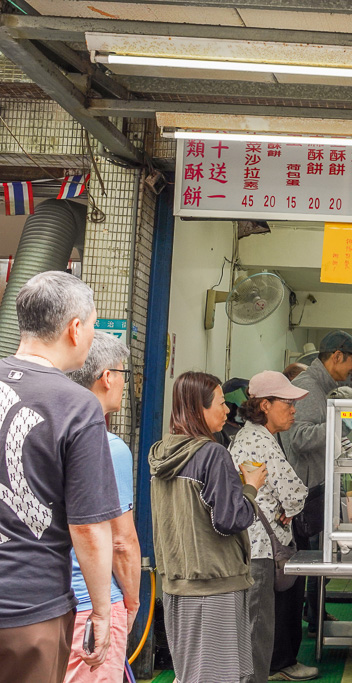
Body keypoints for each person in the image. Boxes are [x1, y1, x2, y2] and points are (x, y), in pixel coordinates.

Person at [0, 271, 122, 682]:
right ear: (74, 328)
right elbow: (87, 527)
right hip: (28, 609)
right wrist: (103, 612)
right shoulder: (76, 405)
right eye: (92, 325)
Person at [150, 371, 267, 683]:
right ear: (196, 410)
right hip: (215, 586)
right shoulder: (212, 454)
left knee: (191, 674)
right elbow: (231, 520)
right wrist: (251, 487)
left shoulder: (163, 453)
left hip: (177, 583)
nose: (227, 410)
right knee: (219, 676)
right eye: (220, 403)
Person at [64, 332, 142, 683]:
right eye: (124, 374)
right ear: (107, 377)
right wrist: (131, 599)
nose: (126, 384)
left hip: (46, 604)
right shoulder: (108, 447)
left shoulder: (45, 432)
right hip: (93, 604)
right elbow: (121, 541)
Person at [230, 371, 317, 683]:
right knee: (257, 631)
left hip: (252, 547)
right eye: (288, 403)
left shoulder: (251, 437)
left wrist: (287, 507)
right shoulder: (260, 442)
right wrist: (289, 509)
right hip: (260, 550)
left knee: (256, 628)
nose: (294, 409)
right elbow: (296, 494)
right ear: (264, 405)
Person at [280, 330, 352, 630]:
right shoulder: (307, 387)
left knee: (317, 562)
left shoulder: (320, 389)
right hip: (305, 493)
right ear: (337, 356)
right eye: (351, 362)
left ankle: (314, 615)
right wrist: (337, 424)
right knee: (308, 565)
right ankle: (305, 624)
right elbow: (300, 438)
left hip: (316, 488)